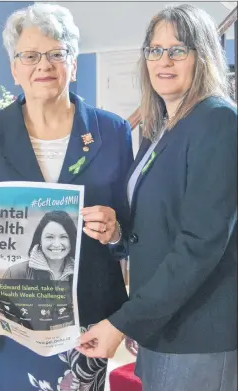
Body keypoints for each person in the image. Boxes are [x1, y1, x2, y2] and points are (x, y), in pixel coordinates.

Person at [0, 3, 134, 390]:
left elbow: (133, 233)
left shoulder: (112, 132)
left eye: (57, 53)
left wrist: (116, 231)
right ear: (14, 67)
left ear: (73, 63)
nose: (44, 65)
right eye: (30, 55)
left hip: (88, 321)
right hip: (10, 321)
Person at [78, 5, 237, 391]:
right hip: (163, 326)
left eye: (178, 50)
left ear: (203, 56)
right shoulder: (158, 127)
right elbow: (154, 226)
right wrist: (117, 232)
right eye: (154, 50)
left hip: (199, 335)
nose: (163, 61)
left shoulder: (218, 121)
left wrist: (123, 320)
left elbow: (199, 244)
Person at [3, 210, 77, 281]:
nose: (56, 244)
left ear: (71, 240)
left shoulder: (81, 273)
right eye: (49, 237)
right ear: (40, 240)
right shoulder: (15, 273)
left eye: (63, 237)